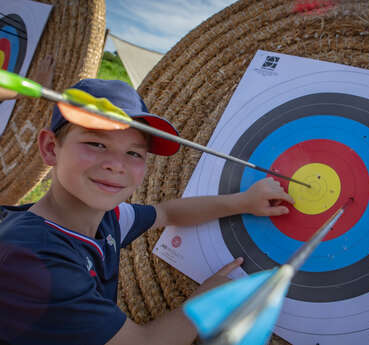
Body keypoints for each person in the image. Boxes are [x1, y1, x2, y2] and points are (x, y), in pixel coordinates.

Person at [0, 79, 294, 345]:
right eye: (96, 143)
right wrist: (208, 300)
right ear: (51, 148)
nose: (117, 165)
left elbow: (166, 213)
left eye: (134, 153)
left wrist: (243, 202)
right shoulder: (33, 258)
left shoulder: (107, 220)